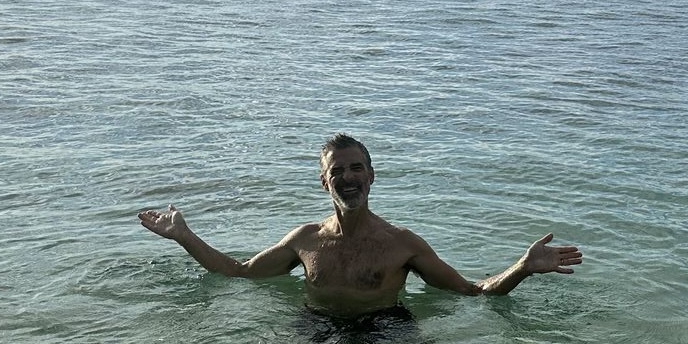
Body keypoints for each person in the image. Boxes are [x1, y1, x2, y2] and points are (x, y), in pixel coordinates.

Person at [138, 134, 582, 318]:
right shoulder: (306, 240)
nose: (347, 178)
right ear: (324, 180)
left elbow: (472, 292)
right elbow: (238, 272)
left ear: (371, 175)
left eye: (356, 169)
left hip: (387, 325)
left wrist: (522, 268)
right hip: (316, 324)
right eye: (338, 171)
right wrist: (184, 235)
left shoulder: (402, 245)